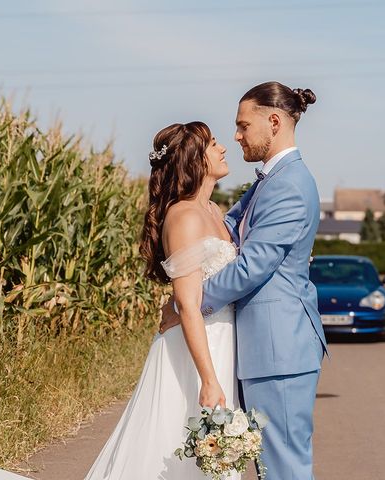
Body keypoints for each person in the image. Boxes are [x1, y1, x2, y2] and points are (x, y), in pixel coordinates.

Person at [0, 121, 241, 480]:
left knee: (205, 448)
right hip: (193, 349)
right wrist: (207, 378)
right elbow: (187, 304)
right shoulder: (185, 216)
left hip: (218, 338)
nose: (223, 147)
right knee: (174, 441)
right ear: (194, 159)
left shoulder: (213, 210)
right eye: (212, 143)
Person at [160, 82, 328, 479]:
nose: (236, 136)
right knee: (268, 466)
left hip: (279, 347)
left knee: (283, 467)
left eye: (242, 126)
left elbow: (253, 264)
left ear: (273, 121)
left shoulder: (288, 184)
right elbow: (224, 230)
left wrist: (189, 304)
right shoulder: (267, 182)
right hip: (262, 347)